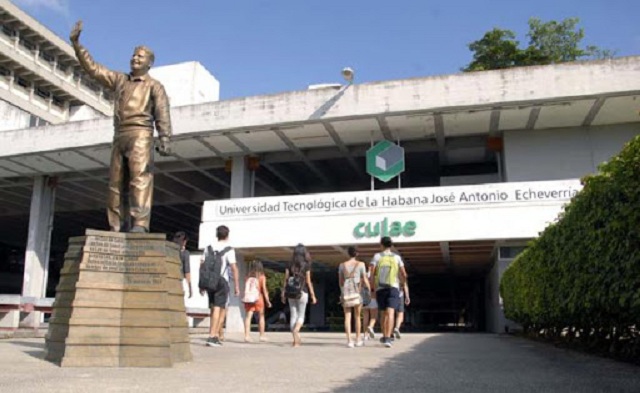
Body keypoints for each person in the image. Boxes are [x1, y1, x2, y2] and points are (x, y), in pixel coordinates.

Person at [70, 20, 172, 233]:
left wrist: (165, 136)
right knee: (115, 183)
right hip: (120, 135)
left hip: (141, 133)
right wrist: (77, 44)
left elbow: (162, 111)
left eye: (140, 56)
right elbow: (93, 69)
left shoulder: (154, 86)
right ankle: (116, 225)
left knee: (140, 179)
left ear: (149, 63)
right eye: (134, 55)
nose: (135, 58)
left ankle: (140, 224)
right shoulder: (119, 80)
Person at [200, 225, 239, 347]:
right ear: (227, 235)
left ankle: (214, 335)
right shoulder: (229, 249)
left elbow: (201, 265)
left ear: (217, 235)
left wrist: (201, 284)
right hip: (222, 281)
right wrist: (237, 286)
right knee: (218, 307)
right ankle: (212, 336)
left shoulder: (208, 248)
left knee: (213, 308)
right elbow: (233, 268)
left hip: (209, 281)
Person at [371, 236, 408, 348]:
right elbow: (404, 274)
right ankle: (388, 338)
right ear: (391, 245)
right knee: (391, 312)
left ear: (381, 245)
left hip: (380, 288)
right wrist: (402, 283)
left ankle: (384, 336)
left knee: (383, 313)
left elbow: (372, 274)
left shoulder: (377, 256)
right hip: (394, 288)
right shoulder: (397, 257)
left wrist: (372, 289)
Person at [281, 244, 317, 347]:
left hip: (290, 293)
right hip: (302, 292)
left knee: (293, 315)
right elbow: (309, 281)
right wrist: (313, 295)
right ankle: (297, 331)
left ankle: (295, 340)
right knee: (301, 315)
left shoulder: (289, 264)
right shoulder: (306, 265)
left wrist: (283, 293)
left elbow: (286, 279)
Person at [338, 246, 371, 348]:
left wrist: (342, 293)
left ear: (348, 254)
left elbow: (340, 282)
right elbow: (365, 279)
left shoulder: (342, 265)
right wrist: (369, 290)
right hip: (357, 293)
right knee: (357, 317)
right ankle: (358, 339)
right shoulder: (361, 264)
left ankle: (349, 341)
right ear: (357, 254)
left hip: (346, 293)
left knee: (347, 317)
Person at [243, 260, 272, 342]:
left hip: (249, 299)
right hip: (258, 299)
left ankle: (247, 336)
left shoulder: (247, 276)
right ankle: (262, 336)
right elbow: (264, 290)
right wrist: (268, 301)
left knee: (248, 317)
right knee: (261, 317)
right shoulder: (262, 277)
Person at [172, 231, 192, 298]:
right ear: (184, 241)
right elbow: (187, 271)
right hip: (179, 281)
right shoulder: (185, 253)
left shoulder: (170, 251)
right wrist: (190, 287)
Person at [363, 265, 379, 341]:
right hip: (373, 298)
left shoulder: (363, 276)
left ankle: (365, 335)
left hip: (364, 299)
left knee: (365, 317)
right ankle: (370, 326)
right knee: (374, 316)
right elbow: (376, 288)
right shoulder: (375, 277)